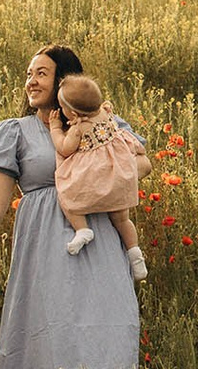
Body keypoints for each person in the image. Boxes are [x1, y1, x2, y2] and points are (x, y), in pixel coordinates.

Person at [0, 46, 140, 369]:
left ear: (64, 81)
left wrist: (88, 174)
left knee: (105, 325)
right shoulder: (16, 131)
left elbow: (140, 166)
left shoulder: (105, 125)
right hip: (47, 244)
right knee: (54, 332)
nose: (31, 81)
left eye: (41, 74)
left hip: (100, 242)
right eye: (29, 74)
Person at [50, 75, 149, 277]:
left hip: (96, 177)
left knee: (68, 196)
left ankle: (83, 230)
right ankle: (135, 255)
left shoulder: (79, 128)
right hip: (119, 173)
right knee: (122, 220)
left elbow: (65, 148)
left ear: (72, 113)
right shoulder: (106, 112)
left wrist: (56, 129)